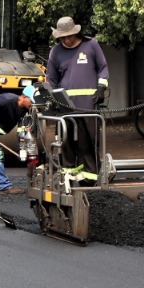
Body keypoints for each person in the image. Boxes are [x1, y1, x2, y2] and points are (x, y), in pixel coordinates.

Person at [45, 16, 109, 181]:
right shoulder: (55, 52)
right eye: (62, 37)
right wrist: (52, 96)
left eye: (69, 36)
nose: (66, 40)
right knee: (67, 143)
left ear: (76, 33)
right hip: (65, 106)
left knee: (88, 142)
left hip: (88, 105)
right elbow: (51, 79)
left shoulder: (91, 45)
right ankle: (68, 177)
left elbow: (103, 67)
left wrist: (101, 87)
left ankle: (89, 178)